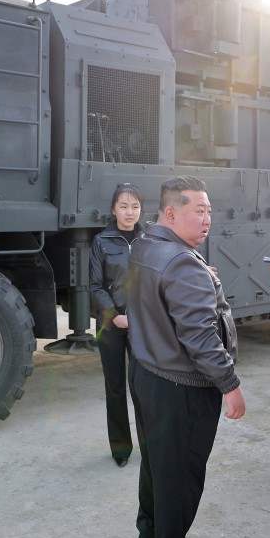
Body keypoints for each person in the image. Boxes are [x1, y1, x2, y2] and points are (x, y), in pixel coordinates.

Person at [127, 175, 245, 538]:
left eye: (209, 210)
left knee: (156, 464)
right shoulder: (179, 261)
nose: (207, 219)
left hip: (147, 371)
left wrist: (197, 272)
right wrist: (229, 384)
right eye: (199, 210)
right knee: (180, 475)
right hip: (182, 386)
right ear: (171, 212)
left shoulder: (145, 244)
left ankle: (150, 531)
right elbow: (200, 337)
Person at [90, 183, 145, 467]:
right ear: (113, 209)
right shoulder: (101, 241)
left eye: (135, 206)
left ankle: (149, 446)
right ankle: (121, 449)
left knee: (144, 387)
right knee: (115, 388)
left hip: (141, 324)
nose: (129, 212)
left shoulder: (148, 240)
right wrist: (114, 315)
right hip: (110, 325)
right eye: (124, 206)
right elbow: (95, 286)